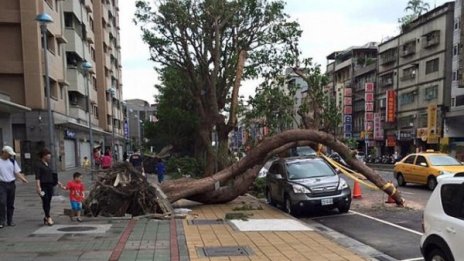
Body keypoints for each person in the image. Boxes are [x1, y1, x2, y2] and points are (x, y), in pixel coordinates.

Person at [0, 146, 28, 228]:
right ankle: (2, 221)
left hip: (11, 184)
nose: (10, 156)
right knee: (2, 202)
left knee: (10, 203)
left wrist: (23, 179)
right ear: (4, 152)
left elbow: (17, 172)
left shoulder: (12, 161)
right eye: (9, 154)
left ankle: (10, 220)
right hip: (1, 184)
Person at [35, 148, 56, 226]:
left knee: (48, 201)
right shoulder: (38, 164)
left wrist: (58, 183)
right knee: (45, 201)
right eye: (48, 155)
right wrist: (38, 187)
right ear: (44, 156)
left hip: (50, 185)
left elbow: (51, 175)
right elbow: (37, 176)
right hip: (43, 186)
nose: (50, 156)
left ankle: (46, 217)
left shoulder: (48, 164)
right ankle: (48, 217)